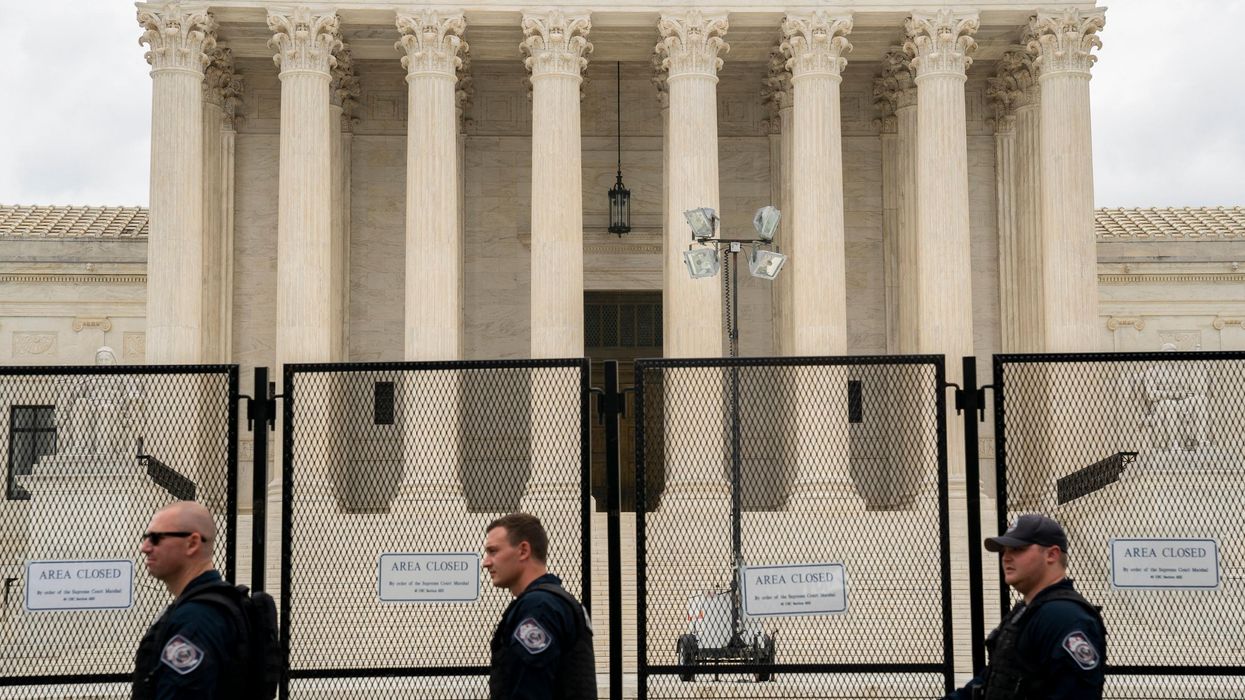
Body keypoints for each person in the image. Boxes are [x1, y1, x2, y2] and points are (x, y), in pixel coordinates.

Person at [947, 514, 1107, 700]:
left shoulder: (1066, 617)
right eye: (1004, 550)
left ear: (1052, 554)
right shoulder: (1026, 612)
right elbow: (993, 681)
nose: (1006, 557)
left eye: (1017, 549)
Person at [133, 501, 240, 699]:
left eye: (156, 538)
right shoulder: (220, 605)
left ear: (192, 543)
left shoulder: (195, 621)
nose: (144, 548)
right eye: (146, 538)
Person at [483, 512, 597, 699]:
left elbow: (529, 690)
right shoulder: (556, 602)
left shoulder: (539, 609)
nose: (486, 563)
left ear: (523, 551)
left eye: (493, 551)